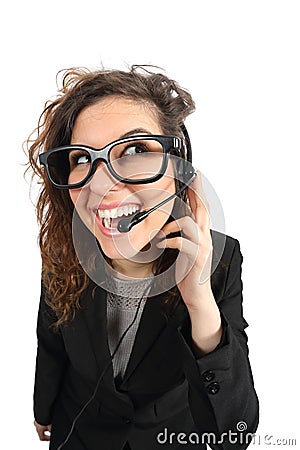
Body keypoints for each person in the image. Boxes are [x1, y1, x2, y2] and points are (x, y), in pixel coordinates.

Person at [27, 66, 259, 449]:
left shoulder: (221, 258)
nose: (100, 185)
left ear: (178, 167)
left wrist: (199, 300)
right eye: (81, 159)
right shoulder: (64, 249)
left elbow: (234, 434)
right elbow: (51, 344)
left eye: (136, 150)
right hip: (79, 433)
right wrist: (42, 409)